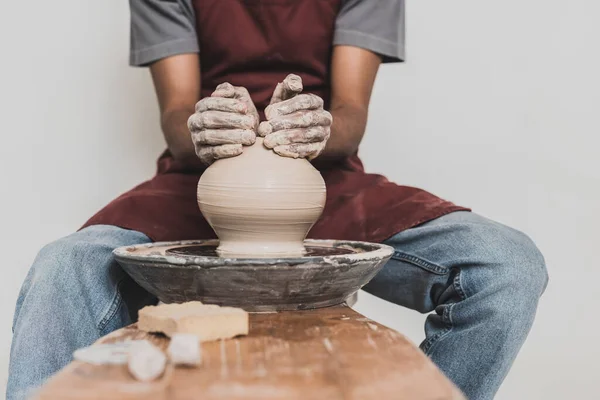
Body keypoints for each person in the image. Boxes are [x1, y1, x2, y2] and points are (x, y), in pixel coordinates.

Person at [7, 1, 548, 399]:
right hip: (196, 180)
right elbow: (177, 116)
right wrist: (204, 125)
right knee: (64, 266)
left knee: (506, 265)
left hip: (323, 179)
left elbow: (351, 115)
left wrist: (319, 126)